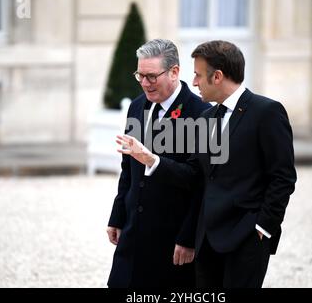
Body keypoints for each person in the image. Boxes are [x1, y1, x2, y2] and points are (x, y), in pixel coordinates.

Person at [117, 40, 297, 288]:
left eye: (198, 75)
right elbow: (194, 175)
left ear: (218, 77)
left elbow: (283, 177)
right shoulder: (207, 117)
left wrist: (263, 228)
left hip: (246, 239)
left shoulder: (266, 112)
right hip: (207, 241)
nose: (194, 82)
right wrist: (151, 160)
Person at [107, 39, 211, 288]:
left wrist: (188, 238)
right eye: (140, 75)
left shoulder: (201, 113)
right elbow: (127, 169)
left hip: (173, 239)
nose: (144, 83)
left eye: (151, 76)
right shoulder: (136, 106)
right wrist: (118, 215)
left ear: (174, 72)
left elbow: (201, 182)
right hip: (133, 233)